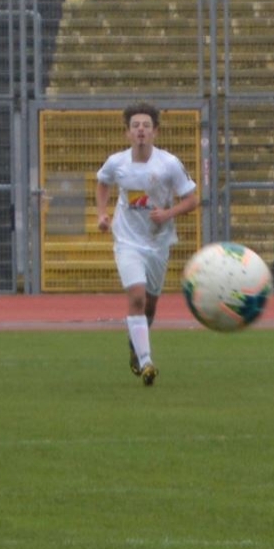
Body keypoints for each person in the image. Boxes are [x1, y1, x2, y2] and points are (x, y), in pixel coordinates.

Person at [95, 102, 201, 386]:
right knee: (137, 298)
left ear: (155, 131)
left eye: (145, 126)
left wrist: (167, 214)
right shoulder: (117, 162)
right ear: (127, 133)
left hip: (158, 243)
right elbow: (102, 182)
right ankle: (146, 362)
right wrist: (103, 214)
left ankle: (135, 345)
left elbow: (192, 199)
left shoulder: (168, 164)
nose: (140, 130)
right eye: (135, 126)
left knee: (150, 306)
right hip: (127, 241)